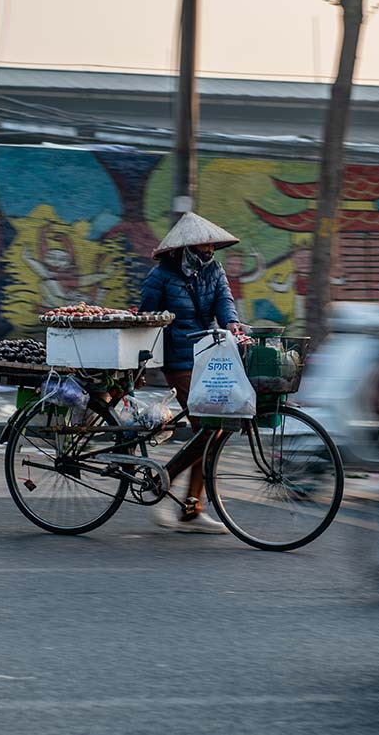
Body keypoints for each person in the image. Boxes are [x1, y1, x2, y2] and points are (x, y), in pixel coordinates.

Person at [139, 212, 243, 534]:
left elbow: (224, 301)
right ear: (185, 247)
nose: (209, 251)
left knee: (213, 429)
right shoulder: (161, 276)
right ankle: (166, 485)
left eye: (211, 246)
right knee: (207, 427)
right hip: (178, 359)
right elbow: (146, 317)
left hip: (210, 355)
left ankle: (190, 509)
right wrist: (141, 363)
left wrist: (231, 322)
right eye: (203, 246)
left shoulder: (214, 270)